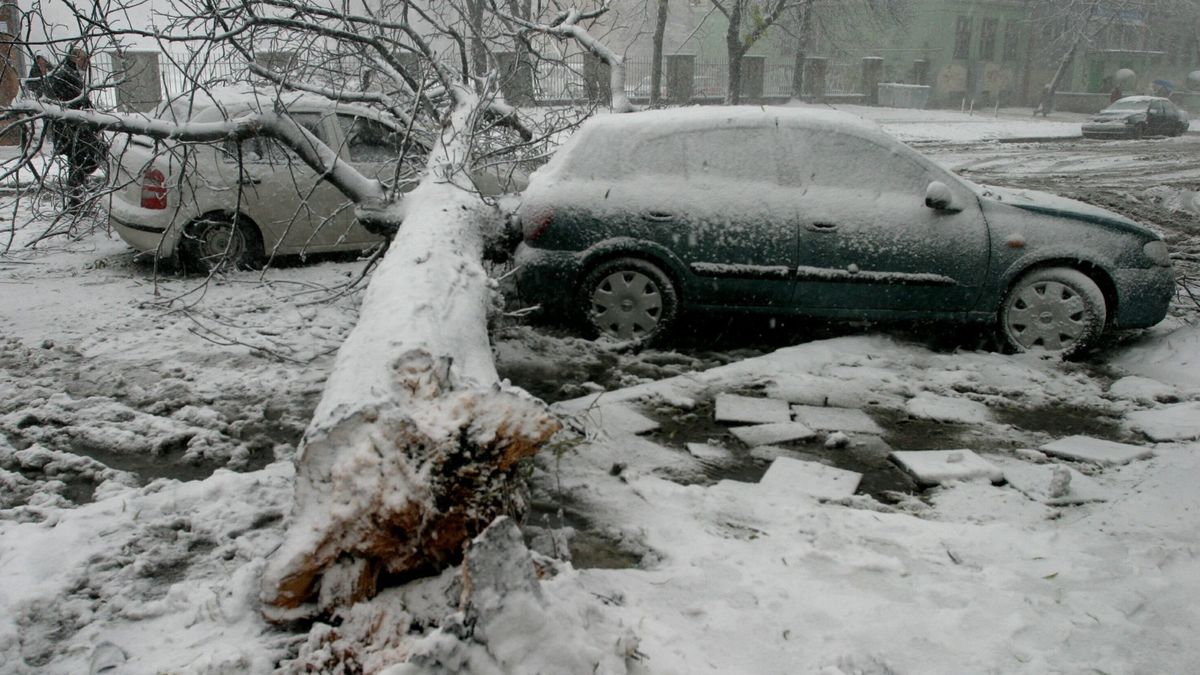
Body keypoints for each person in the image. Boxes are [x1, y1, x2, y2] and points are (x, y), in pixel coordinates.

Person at [43, 47, 106, 210]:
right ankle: (76, 198)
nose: (87, 63)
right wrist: (93, 122)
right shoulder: (67, 76)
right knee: (92, 155)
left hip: (72, 128)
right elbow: (76, 103)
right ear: (74, 58)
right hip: (71, 129)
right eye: (84, 60)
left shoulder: (69, 73)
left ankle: (76, 200)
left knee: (76, 163)